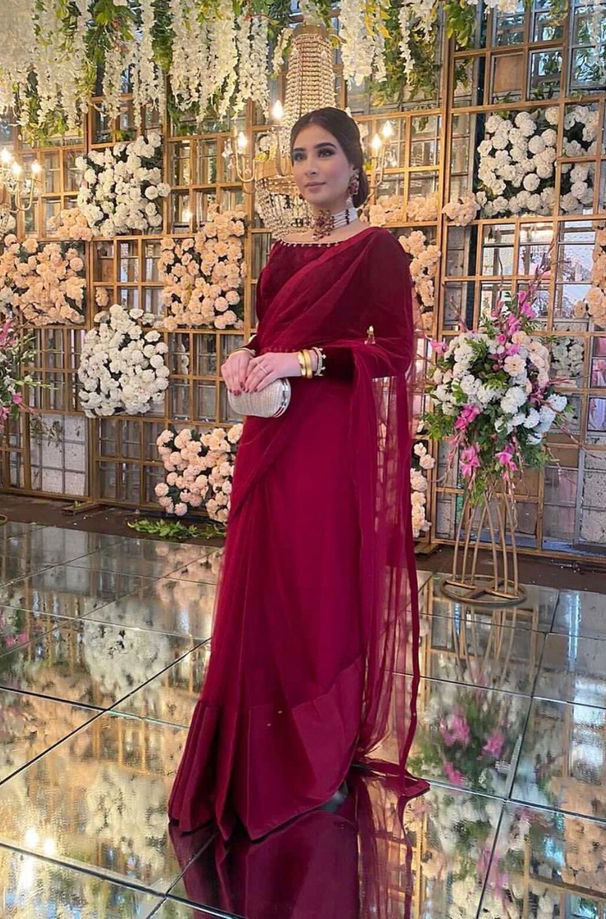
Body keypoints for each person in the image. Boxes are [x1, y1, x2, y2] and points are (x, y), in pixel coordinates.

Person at [168, 107, 428, 841]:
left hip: (325, 445)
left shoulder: (378, 249)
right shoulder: (281, 253)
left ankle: (310, 752)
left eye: (325, 152)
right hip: (268, 436)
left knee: (309, 589)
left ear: (353, 164)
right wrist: (240, 356)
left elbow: (397, 352)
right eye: (299, 156)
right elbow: (266, 335)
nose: (310, 167)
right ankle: (248, 753)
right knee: (258, 587)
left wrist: (306, 361)